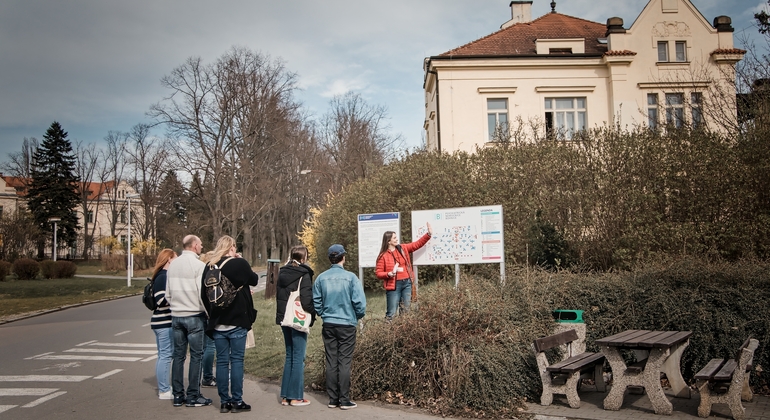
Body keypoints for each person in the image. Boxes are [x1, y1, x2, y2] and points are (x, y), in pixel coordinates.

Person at [200, 235, 259, 414]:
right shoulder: (238, 264)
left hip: (218, 322)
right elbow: (254, 279)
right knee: (237, 361)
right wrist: (241, 260)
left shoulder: (209, 267)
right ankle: (237, 400)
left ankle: (224, 402)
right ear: (232, 247)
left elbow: (204, 294)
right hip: (237, 321)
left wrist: (212, 314)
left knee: (222, 362)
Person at [312, 244, 366, 410]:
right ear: (343, 257)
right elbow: (360, 303)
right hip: (346, 323)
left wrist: (323, 313)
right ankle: (344, 399)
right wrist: (357, 315)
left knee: (331, 360)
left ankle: (332, 398)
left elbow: (317, 301)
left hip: (329, 323)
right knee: (344, 361)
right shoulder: (351, 278)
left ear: (330, 259)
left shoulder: (321, 278)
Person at [165, 234, 211, 407]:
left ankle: (178, 395)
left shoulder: (173, 265)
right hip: (194, 315)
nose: (201, 246)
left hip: (176, 315)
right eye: (200, 244)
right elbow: (203, 294)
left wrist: (176, 306)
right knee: (196, 356)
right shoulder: (199, 266)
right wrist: (207, 313)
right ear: (193, 246)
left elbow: (168, 293)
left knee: (178, 355)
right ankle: (193, 394)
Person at [276, 245, 315, 407]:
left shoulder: (282, 272)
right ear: (304, 257)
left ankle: (285, 395)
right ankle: (296, 396)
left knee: (290, 355)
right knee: (299, 357)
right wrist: (313, 314)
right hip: (298, 318)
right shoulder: (304, 273)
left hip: (284, 317)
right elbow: (306, 299)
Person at [375, 222, 432, 321]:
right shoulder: (383, 256)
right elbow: (378, 273)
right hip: (394, 286)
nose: (397, 239)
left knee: (405, 312)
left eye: (396, 237)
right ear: (388, 241)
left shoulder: (403, 248)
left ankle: (402, 334)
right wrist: (388, 274)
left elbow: (416, 245)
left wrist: (428, 235)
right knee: (391, 313)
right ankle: (387, 335)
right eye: (394, 238)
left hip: (407, 283)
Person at [150, 248, 177, 400]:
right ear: (169, 260)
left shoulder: (162, 276)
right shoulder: (163, 276)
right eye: (175, 258)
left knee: (164, 355)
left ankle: (164, 386)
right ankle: (164, 389)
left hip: (161, 322)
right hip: (164, 322)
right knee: (166, 355)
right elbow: (161, 300)